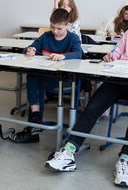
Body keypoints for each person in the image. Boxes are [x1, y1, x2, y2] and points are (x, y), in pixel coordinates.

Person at [45, 0, 128, 188]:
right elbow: (118, 52)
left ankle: (125, 160)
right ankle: (68, 151)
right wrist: (111, 56)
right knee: (93, 107)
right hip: (119, 77)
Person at [10, 8, 82, 143]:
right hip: (46, 75)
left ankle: (34, 124)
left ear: (68, 25)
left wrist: (63, 56)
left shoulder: (73, 38)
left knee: (35, 81)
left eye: (59, 28)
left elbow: (78, 54)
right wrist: (30, 50)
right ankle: (35, 120)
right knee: (32, 76)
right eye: (52, 27)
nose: (55, 31)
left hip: (63, 79)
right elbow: (31, 47)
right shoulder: (46, 36)